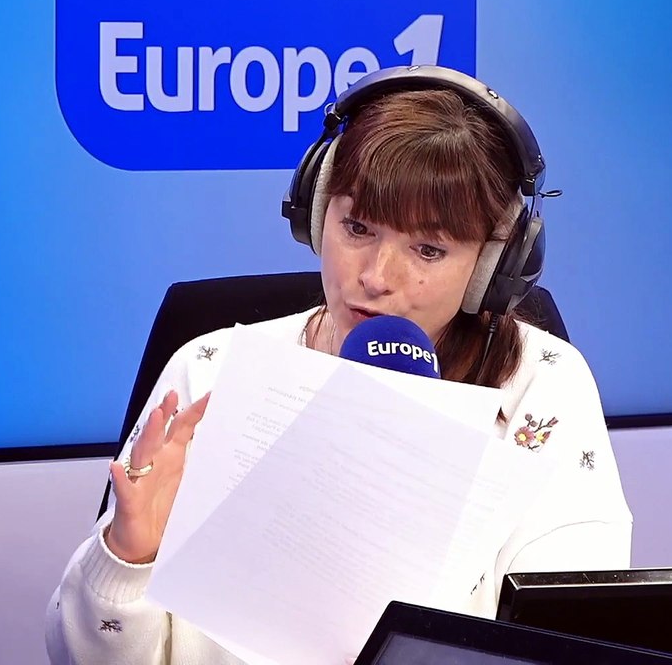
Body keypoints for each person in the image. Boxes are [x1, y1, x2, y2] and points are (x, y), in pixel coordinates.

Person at [45, 66, 634, 664]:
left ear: (493, 265)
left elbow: (570, 642)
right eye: (357, 227)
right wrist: (128, 558)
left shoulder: (543, 388)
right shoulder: (209, 372)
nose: (376, 276)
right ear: (316, 211)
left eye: (429, 249)